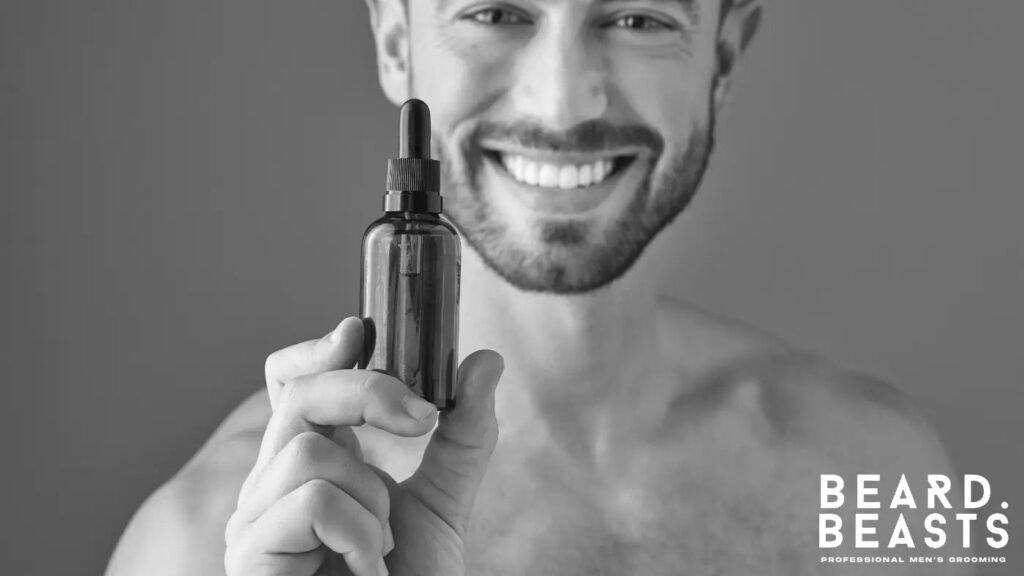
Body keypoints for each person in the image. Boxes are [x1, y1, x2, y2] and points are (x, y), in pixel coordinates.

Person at [105, 1, 965, 575]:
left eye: (638, 17)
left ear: (725, 53)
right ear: (396, 42)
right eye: (495, 12)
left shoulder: (883, 472)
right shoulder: (207, 547)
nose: (562, 104)